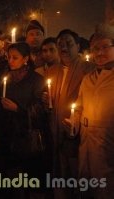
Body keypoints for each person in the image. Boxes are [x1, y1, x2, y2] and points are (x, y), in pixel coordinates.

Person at [64, 22, 114, 199]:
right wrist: (74, 121)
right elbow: (79, 107)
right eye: (95, 48)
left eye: (104, 47)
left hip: (108, 146)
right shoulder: (88, 79)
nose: (99, 53)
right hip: (86, 143)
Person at [46, 29, 95, 199]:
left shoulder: (89, 69)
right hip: (56, 134)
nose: (64, 47)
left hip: (77, 135)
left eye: (69, 43)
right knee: (60, 178)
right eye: (60, 44)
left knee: (78, 181)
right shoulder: (52, 70)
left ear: (78, 46)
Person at [0, 42, 47, 199]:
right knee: (10, 180)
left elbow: (40, 110)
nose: (10, 61)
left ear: (25, 59)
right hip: (8, 135)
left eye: (15, 57)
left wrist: (17, 109)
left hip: (27, 137)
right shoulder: (6, 78)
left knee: (27, 179)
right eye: (9, 57)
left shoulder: (36, 79)